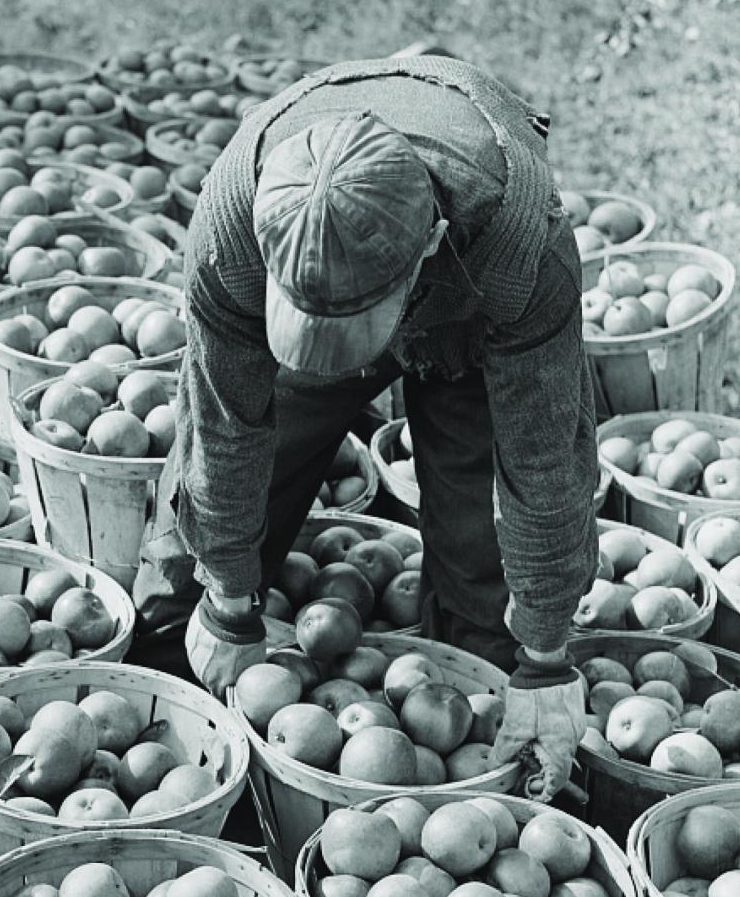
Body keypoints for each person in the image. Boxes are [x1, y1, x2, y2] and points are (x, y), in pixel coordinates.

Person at [131, 54, 597, 800]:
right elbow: (224, 427)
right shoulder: (233, 232)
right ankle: (183, 767)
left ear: (427, 250)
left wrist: (544, 656)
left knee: (488, 584)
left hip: (466, 320)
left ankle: (475, 791)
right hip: (312, 284)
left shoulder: (519, 249)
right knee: (190, 560)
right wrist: (226, 597)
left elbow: (544, 460)